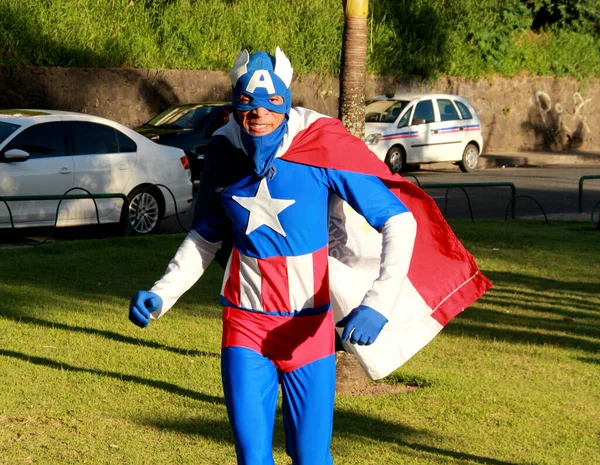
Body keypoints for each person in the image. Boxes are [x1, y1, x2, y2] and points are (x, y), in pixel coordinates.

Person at [129, 47, 491, 465]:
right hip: (245, 327)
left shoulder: (319, 147)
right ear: (234, 104)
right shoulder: (225, 154)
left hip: (310, 331)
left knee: (312, 457)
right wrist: (163, 293)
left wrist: (379, 303)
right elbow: (205, 237)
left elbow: (399, 221)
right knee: (252, 458)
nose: (259, 114)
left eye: (271, 103)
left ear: (286, 102)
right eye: (247, 103)